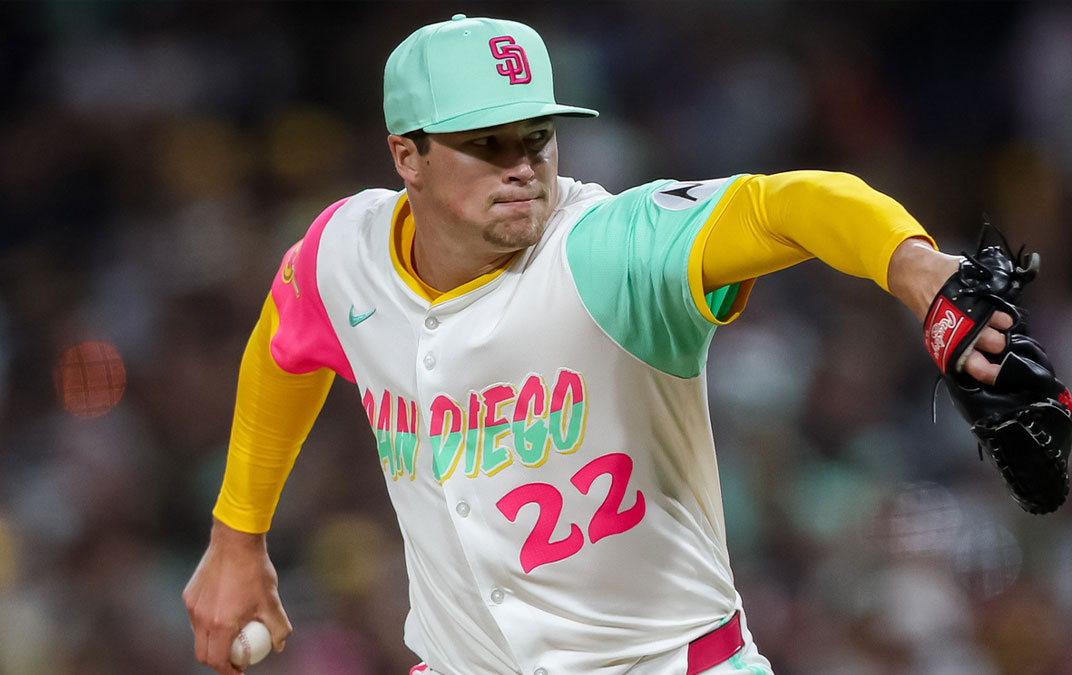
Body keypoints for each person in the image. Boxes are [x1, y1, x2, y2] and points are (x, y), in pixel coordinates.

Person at [183, 13, 1012, 675]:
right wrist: (236, 539)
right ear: (408, 156)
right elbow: (282, 348)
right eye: (486, 144)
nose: (522, 166)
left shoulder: (609, 248)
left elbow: (783, 204)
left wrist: (916, 269)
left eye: (536, 135)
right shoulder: (346, 255)